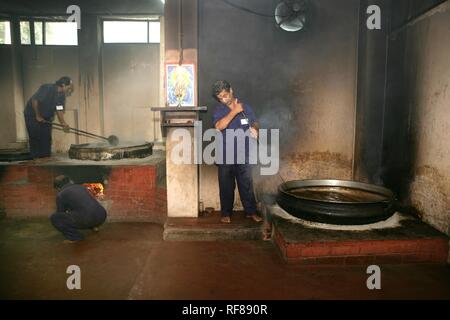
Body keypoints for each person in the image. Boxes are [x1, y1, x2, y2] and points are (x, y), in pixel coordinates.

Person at [212, 80, 263, 224]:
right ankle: (226, 213)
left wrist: (255, 129)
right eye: (220, 97)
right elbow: (219, 126)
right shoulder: (219, 110)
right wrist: (234, 112)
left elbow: (255, 122)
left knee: (246, 184)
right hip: (225, 155)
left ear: (231, 90)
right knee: (226, 186)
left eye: (225, 95)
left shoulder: (245, 107)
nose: (223, 99)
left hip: (244, 153)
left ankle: (250, 211)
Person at [24, 76, 73, 160]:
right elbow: (35, 100)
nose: (70, 89)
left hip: (46, 117)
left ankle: (45, 159)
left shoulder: (61, 96)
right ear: (63, 85)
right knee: (35, 137)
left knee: (46, 138)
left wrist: (63, 123)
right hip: (32, 115)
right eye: (69, 87)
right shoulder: (47, 88)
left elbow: (59, 109)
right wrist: (38, 115)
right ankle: (35, 160)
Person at [50, 175, 107, 243]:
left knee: (55, 218)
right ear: (70, 181)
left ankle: (75, 237)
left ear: (58, 188)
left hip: (88, 219)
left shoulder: (61, 194)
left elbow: (60, 212)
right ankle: (94, 227)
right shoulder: (81, 187)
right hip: (102, 215)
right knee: (84, 209)